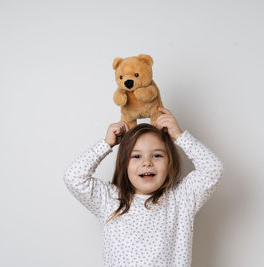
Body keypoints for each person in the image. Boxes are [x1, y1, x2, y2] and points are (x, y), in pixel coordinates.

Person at [63, 107, 224, 267]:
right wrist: (106, 144)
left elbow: (213, 169)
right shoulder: (110, 199)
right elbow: (74, 177)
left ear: (170, 163)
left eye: (157, 155)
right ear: (124, 164)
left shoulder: (181, 198)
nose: (147, 162)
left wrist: (179, 136)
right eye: (136, 156)